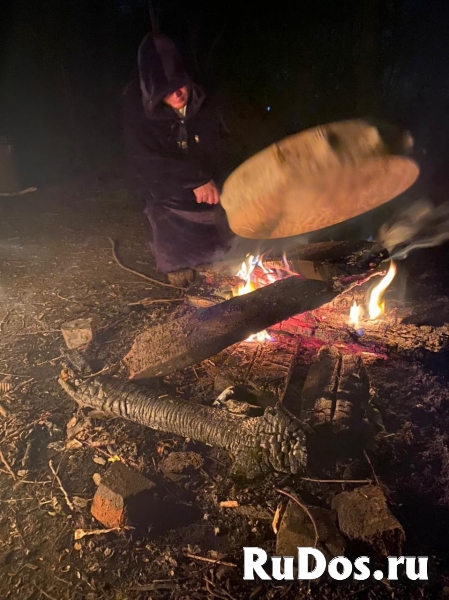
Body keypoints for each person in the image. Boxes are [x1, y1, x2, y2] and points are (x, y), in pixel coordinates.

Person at [122, 33, 232, 287]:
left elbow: (226, 141)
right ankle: (179, 268)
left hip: (211, 195)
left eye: (179, 84)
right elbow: (143, 160)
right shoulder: (135, 104)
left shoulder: (206, 96)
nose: (176, 93)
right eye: (166, 90)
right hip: (167, 199)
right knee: (181, 271)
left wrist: (221, 178)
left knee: (223, 266)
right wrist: (194, 179)